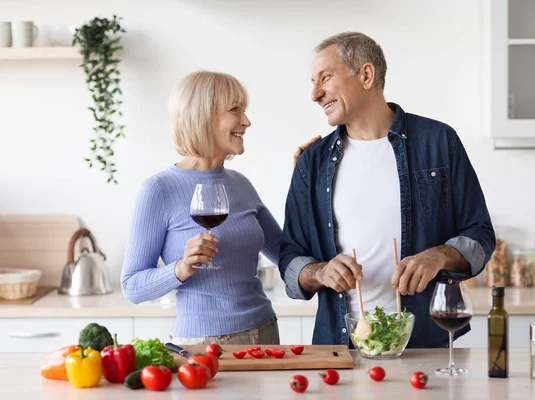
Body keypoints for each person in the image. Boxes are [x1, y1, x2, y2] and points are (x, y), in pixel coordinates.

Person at [279, 32, 495, 348]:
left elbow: (480, 235)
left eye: (325, 78)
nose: (315, 94)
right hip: (341, 350)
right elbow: (289, 259)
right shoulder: (312, 162)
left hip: (425, 344)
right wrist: (321, 272)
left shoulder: (438, 142)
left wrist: (439, 256)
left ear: (366, 75)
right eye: (313, 82)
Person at [121, 70, 318, 345]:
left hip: (265, 331)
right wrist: (180, 268)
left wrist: (305, 183)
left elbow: (287, 251)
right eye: (235, 109)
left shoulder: (240, 184)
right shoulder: (159, 189)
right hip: (204, 343)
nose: (246, 121)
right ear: (203, 117)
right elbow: (132, 286)